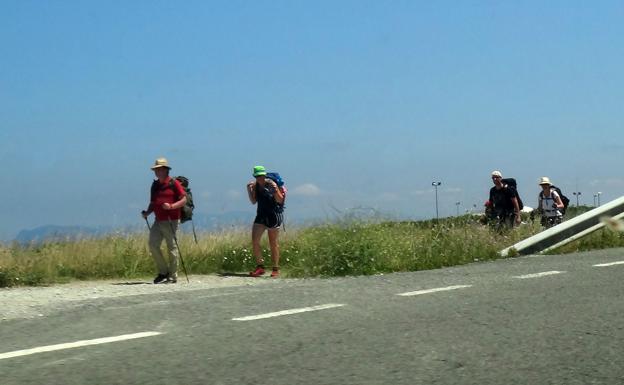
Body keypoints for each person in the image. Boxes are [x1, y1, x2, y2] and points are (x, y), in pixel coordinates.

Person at [141, 158, 187, 284]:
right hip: (158, 219)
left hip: (171, 220)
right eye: (156, 169)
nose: (157, 171)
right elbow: (153, 202)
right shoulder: (155, 185)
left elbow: (184, 200)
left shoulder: (174, 183)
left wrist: (171, 206)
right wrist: (148, 213)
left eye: (160, 169)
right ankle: (163, 272)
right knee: (152, 244)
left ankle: (172, 275)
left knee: (172, 247)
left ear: (166, 170)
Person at [246, 165, 285, 278]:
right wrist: (249, 190)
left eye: (261, 175)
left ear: (264, 174)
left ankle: (275, 268)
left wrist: (275, 189)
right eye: (257, 176)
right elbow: (253, 201)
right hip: (261, 215)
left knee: (273, 243)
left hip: (273, 215)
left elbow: (280, 200)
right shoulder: (256, 186)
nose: (259, 178)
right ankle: (260, 267)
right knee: (255, 241)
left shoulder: (272, 184)